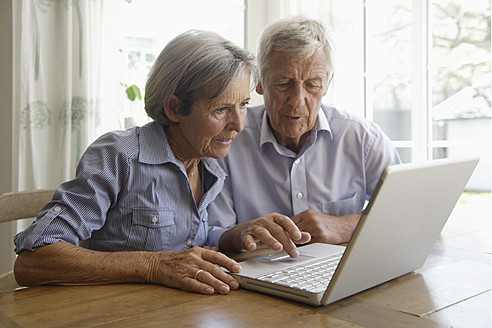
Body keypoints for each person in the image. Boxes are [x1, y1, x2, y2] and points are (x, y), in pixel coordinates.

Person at [13, 30, 260, 296]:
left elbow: (184, 238)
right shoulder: (118, 156)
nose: (239, 124)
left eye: (243, 104)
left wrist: (234, 236)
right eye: (221, 109)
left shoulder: (209, 161)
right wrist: (154, 266)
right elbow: (33, 260)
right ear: (174, 108)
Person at [207, 16, 401, 257]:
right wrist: (241, 233)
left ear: (328, 83)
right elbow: (211, 233)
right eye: (284, 83)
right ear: (259, 82)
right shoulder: (228, 141)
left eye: (312, 84)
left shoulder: (362, 139)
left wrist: (343, 227)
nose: (297, 101)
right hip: (256, 278)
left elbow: (407, 211)